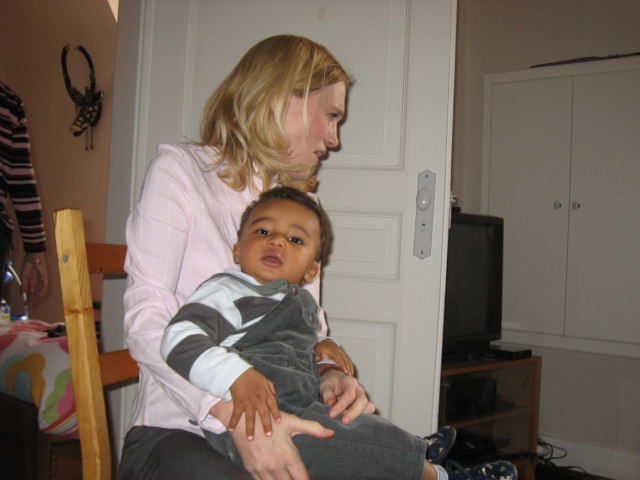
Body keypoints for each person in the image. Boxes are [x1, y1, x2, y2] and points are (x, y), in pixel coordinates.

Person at [161, 186, 517, 480]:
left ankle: (411, 447)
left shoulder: (300, 302)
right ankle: (438, 474)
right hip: (259, 422)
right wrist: (236, 377)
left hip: (302, 403)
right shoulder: (227, 290)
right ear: (238, 250)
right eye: (263, 231)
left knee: (355, 421)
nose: (277, 241)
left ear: (311, 270)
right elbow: (179, 337)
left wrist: (323, 352)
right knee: (350, 445)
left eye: (295, 239)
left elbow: (298, 350)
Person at [0, 81, 48, 306]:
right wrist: (35, 254)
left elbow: (22, 181)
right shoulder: (7, 100)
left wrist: (35, 252)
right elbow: (22, 181)